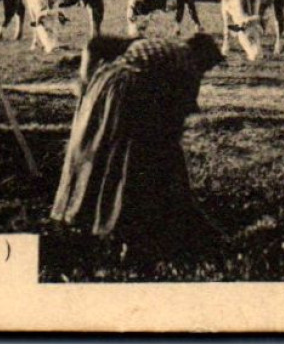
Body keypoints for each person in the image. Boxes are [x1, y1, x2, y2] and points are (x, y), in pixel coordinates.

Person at [51, 33, 225, 254]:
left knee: (100, 151)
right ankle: (122, 226)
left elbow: (94, 44)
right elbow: (177, 118)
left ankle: (78, 214)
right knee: (128, 159)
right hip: (130, 93)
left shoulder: (154, 42)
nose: (207, 71)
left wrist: (85, 82)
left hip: (104, 84)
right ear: (204, 57)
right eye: (209, 66)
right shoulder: (189, 65)